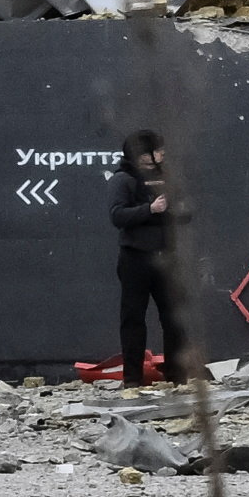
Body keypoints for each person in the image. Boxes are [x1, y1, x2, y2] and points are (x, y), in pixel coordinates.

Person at [108, 129, 181, 383]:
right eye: (157, 150)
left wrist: (177, 210)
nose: (163, 154)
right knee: (133, 319)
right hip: (135, 258)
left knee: (173, 317)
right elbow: (117, 216)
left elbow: (186, 211)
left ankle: (176, 374)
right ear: (143, 155)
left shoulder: (167, 176)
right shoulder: (124, 179)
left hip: (165, 257)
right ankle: (132, 378)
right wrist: (149, 209)